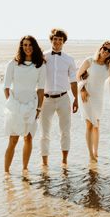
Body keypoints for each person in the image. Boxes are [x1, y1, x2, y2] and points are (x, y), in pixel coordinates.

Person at [3, 35, 46, 174]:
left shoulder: (40, 65)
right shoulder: (13, 64)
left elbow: (41, 89)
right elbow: (6, 87)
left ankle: (25, 170)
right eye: (25, 45)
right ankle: (6, 173)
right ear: (22, 47)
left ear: (35, 47)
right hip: (15, 106)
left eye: (30, 45)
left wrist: (39, 108)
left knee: (28, 138)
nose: (28, 47)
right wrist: (12, 104)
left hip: (31, 105)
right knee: (13, 139)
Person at [39, 28, 78, 168]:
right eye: (55, 39)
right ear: (51, 40)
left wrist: (76, 99)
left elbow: (73, 80)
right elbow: (36, 77)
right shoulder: (43, 57)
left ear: (63, 42)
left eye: (60, 39)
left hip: (63, 99)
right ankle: (45, 163)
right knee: (44, 133)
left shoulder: (69, 59)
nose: (57, 41)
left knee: (65, 131)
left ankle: (64, 161)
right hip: (46, 99)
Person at [77, 41, 110, 162]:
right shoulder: (89, 61)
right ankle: (90, 154)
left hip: (99, 97)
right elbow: (78, 75)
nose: (106, 51)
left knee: (96, 125)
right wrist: (82, 90)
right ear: (100, 48)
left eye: (109, 51)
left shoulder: (109, 66)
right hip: (87, 95)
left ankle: (96, 152)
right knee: (89, 124)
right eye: (105, 48)